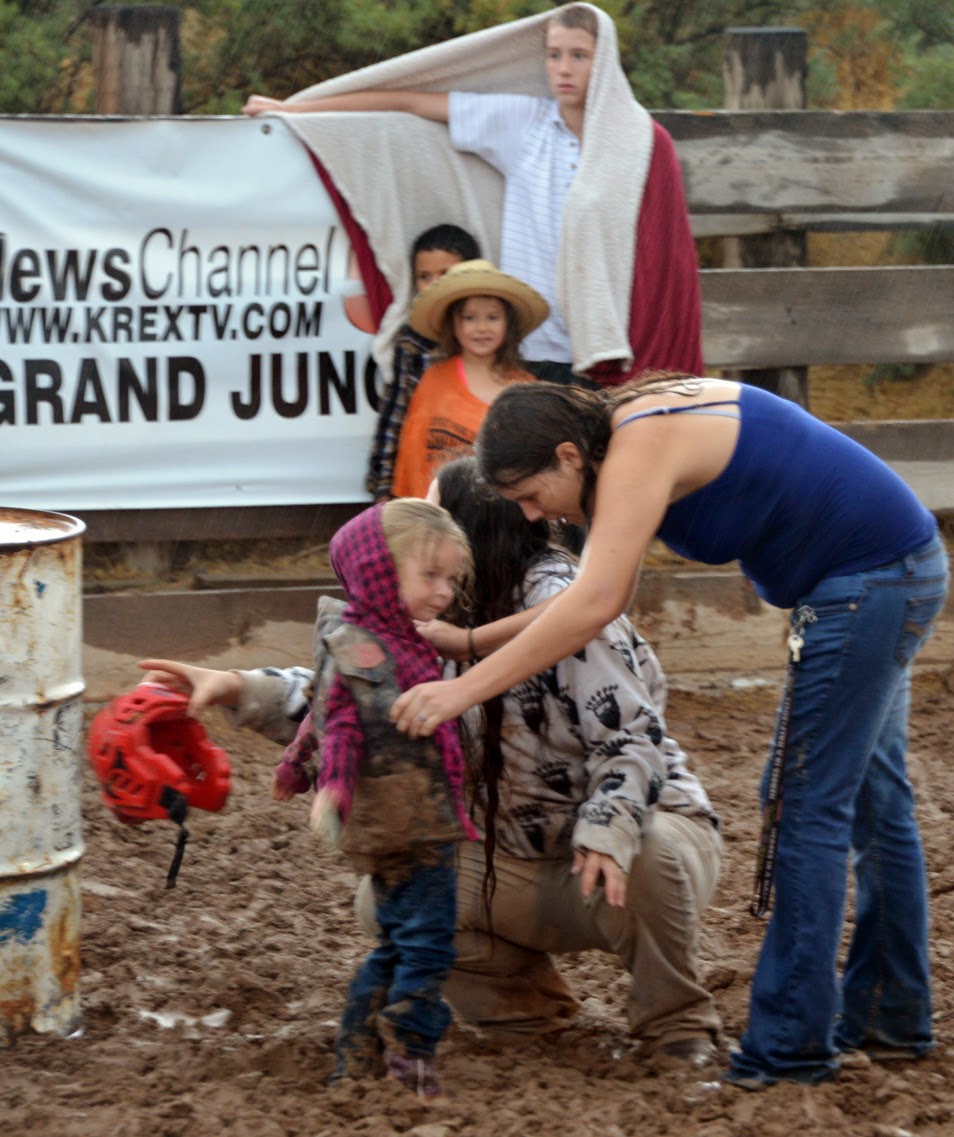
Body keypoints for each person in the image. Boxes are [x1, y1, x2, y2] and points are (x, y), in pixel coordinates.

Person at [390, 375, 950, 1090]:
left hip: (866, 582)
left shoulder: (636, 446)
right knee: (874, 802)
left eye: (531, 493)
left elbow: (595, 603)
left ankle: (790, 1046)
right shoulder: (622, 435)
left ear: (568, 456)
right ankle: (888, 1016)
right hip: (887, 568)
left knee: (804, 804)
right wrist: (472, 644)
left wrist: (462, 686)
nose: (531, 513)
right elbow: (596, 595)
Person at [139, 458, 722, 1069]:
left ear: (473, 534)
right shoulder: (431, 615)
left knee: (646, 849)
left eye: (437, 512)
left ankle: (677, 1027)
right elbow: (354, 701)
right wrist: (237, 686)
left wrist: (608, 828)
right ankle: (523, 1015)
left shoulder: (571, 609)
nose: (422, 525)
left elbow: (632, 738)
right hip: (513, 855)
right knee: (388, 899)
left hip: (627, 853)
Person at [242, 4, 703, 387]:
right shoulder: (524, 124)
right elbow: (407, 101)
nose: (563, 69)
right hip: (532, 343)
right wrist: (295, 109)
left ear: (603, 62)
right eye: (554, 55)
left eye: (579, 56)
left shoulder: (637, 142)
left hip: (605, 348)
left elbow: (662, 258)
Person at [269, 499, 477, 1096]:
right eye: (430, 576)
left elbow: (319, 708)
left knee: (396, 942)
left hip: (408, 816)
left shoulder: (383, 638)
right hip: (408, 821)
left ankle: (355, 1052)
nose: (444, 592)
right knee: (429, 944)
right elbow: (342, 725)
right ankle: (410, 1051)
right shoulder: (370, 649)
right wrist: (330, 786)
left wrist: (295, 763)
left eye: (450, 579)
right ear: (380, 573)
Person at [391, 260, 545, 499]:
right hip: (439, 509)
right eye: (469, 318)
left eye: (492, 317)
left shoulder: (526, 387)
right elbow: (412, 456)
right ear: (453, 324)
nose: (481, 328)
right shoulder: (434, 380)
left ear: (509, 324)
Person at [367, 224, 481, 502]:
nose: (434, 285)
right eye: (424, 276)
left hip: (476, 483)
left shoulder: (486, 336)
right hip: (420, 481)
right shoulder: (413, 344)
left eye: (446, 274)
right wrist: (383, 487)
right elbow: (394, 415)